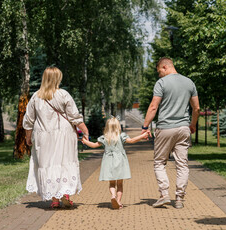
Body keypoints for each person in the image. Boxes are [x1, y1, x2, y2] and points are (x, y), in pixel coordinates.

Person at [23, 66, 89, 208]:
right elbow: (74, 116)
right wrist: (85, 130)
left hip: (44, 136)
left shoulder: (36, 97)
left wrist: (28, 137)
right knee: (65, 161)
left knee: (48, 164)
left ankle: (54, 199)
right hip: (64, 134)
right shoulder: (63, 94)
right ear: (57, 78)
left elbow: (28, 120)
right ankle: (65, 195)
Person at [142, 57, 200, 209]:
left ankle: (164, 194)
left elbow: (154, 106)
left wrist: (145, 126)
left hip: (165, 128)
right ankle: (179, 198)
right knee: (182, 164)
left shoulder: (161, 83)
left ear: (165, 67)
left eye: (159, 71)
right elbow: (196, 108)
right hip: (183, 128)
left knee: (159, 162)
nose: (159, 75)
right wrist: (192, 124)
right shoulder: (189, 83)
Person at [82, 117, 149, 209]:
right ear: (118, 127)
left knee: (112, 183)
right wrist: (142, 136)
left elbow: (94, 145)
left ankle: (113, 195)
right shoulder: (121, 136)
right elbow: (132, 140)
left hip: (108, 162)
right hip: (120, 161)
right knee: (120, 184)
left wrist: (85, 141)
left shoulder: (105, 137)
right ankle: (118, 201)